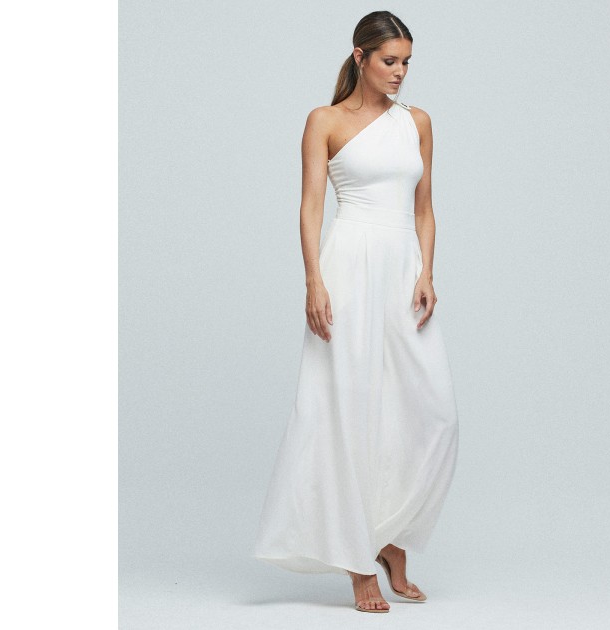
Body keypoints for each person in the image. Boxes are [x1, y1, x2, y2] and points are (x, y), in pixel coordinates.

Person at [253, 10, 460, 614]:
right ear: (360, 56)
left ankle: (391, 539)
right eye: (390, 60)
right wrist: (313, 280)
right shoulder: (325, 121)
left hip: (401, 270)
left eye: (407, 62)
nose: (400, 72)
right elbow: (311, 206)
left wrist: (426, 271)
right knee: (349, 408)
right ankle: (356, 560)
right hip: (348, 267)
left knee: (433, 414)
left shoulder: (417, 122)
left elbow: (425, 207)